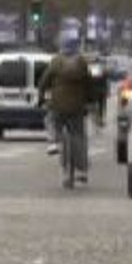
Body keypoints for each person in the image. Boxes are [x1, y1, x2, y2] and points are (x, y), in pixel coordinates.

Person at [38, 37, 93, 188]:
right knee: (79, 137)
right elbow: (89, 84)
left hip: (58, 106)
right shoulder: (82, 63)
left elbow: (44, 81)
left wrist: (41, 97)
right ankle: (82, 171)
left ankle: (53, 141)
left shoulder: (56, 61)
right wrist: (89, 102)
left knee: (50, 119)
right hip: (77, 107)